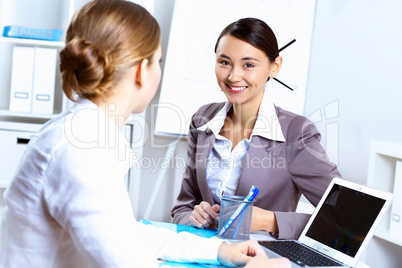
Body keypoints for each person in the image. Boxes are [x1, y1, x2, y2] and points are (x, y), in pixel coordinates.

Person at [0, 2, 291, 267]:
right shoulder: (82, 149)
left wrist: (218, 251)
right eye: (159, 61)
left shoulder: (83, 132)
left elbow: (121, 232)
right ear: (142, 70)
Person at [171, 17, 342, 240]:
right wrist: (195, 216)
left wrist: (270, 221)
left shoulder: (295, 133)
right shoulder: (203, 120)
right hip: (208, 255)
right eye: (224, 62)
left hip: (261, 258)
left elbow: (344, 216)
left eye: (248, 65)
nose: (233, 76)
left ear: (275, 67)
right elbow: (182, 209)